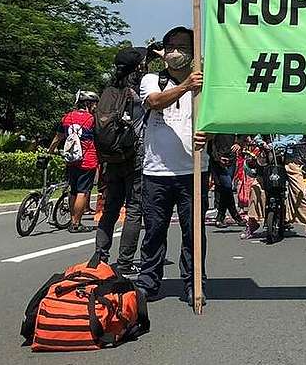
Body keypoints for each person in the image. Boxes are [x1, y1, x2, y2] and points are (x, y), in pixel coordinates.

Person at [136, 26, 207, 307]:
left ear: (192, 54)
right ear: (163, 54)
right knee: (154, 230)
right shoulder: (152, 80)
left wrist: (209, 135)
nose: (176, 54)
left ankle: (194, 282)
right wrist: (185, 86)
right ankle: (148, 282)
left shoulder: (204, 85)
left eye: (182, 49)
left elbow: (214, 120)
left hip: (193, 171)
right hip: (156, 172)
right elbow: (153, 102)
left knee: (193, 233)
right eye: (171, 49)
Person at [94, 46, 154, 274]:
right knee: (134, 209)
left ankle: (99, 257)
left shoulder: (109, 90)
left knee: (110, 208)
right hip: (134, 153)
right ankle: (126, 262)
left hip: (111, 156)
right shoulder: (137, 91)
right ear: (137, 66)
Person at [47, 90, 99, 233]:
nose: (95, 107)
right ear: (88, 104)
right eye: (94, 104)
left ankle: (72, 219)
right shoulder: (92, 119)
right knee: (83, 191)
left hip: (71, 160)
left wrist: (49, 153)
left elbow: (57, 138)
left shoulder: (67, 117)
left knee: (73, 190)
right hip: (87, 160)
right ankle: (76, 223)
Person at [209, 134, 245, 228]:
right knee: (226, 186)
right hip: (217, 159)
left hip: (231, 158)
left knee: (225, 189)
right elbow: (210, 143)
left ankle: (220, 217)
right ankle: (234, 215)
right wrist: (217, 158)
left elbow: (244, 131)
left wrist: (239, 143)